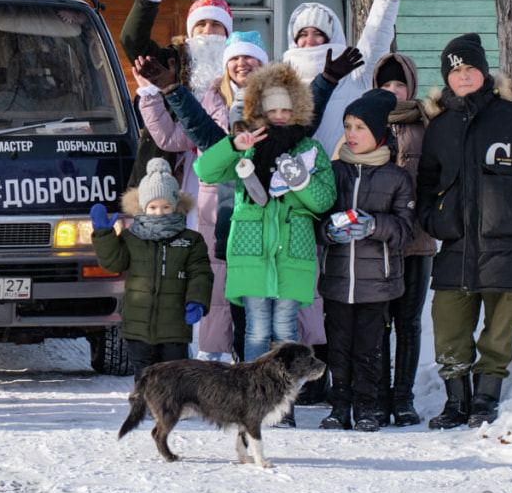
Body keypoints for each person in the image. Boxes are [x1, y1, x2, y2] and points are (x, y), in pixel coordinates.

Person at [417, 34, 512, 429]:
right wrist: (434, 220)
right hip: (456, 247)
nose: (463, 76)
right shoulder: (439, 127)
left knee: (498, 331)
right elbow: (426, 184)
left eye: (469, 69)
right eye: (455, 71)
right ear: (446, 78)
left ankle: (485, 399)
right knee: (449, 326)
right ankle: (456, 402)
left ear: (483, 72)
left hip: (506, 245)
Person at [193, 62, 336, 427]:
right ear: (260, 112)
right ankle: (254, 403)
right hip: (252, 254)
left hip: (293, 255)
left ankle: (284, 406)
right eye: (272, 110)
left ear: (298, 110)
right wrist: (232, 145)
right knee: (256, 329)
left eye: (287, 109)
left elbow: (323, 202)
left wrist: (300, 181)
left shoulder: (311, 150)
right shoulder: (248, 147)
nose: (280, 116)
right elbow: (205, 171)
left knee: (287, 329)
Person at [129, 30, 265, 364]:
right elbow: (175, 137)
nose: (241, 64)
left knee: (256, 289)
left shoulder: (275, 99)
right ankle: (214, 352)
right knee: (216, 278)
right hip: (212, 202)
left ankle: (254, 361)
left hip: (261, 204)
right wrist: (151, 94)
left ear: (262, 61)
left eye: (249, 57)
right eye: (234, 58)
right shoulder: (210, 98)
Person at [317, 89, 416, 432]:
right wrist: (329, 230)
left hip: (379, 283)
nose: (351, 134)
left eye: (360, 127)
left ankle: (367, 408)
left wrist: (374, 225)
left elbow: (406, 230)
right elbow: (316, 220)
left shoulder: (396, 177)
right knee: (338, 346)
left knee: (370, 349)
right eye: (347, 126)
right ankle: (339, 407)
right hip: (338, 280)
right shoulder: (333, 172)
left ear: (378, 134)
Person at [283, 0, 423, 158]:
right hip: (297, 185)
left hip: (345, 178)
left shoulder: (352, 75)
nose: (310, 41)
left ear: (330, 38)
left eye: (318, 34)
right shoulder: (282, 81)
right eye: (303, 35)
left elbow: (375, 36)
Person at [90, 158, 213, 381]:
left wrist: (197, 300)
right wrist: (104, 236)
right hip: (138, 324)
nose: (159, 213)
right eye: (153, 207)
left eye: (166, 207)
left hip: (175, 324)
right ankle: (145, 405)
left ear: (175, 206)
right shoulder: (131, 236)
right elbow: (114, 263)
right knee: (144, 371)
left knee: (174, 371)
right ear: (143, 207)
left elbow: (200, 273)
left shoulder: (190, 240)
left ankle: (173, 407)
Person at [117, 0, 233, 186]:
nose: (207, 31)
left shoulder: (238, 65)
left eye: (215, 25)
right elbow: (132, 41)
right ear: (191, 31)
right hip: (169, 167)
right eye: (201, 25)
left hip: (224, 168)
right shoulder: (172, 60)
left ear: (227, 32)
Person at [372, 52, 438, 426]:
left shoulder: (427, 123)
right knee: (379, 320)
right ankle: (380, 396)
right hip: (377, 240)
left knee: (409, 322)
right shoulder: (364, 122)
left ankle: (404, 398)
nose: (394, 92)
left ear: (410, 86)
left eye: (400, 85)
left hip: (418, 239)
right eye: (387, 85)